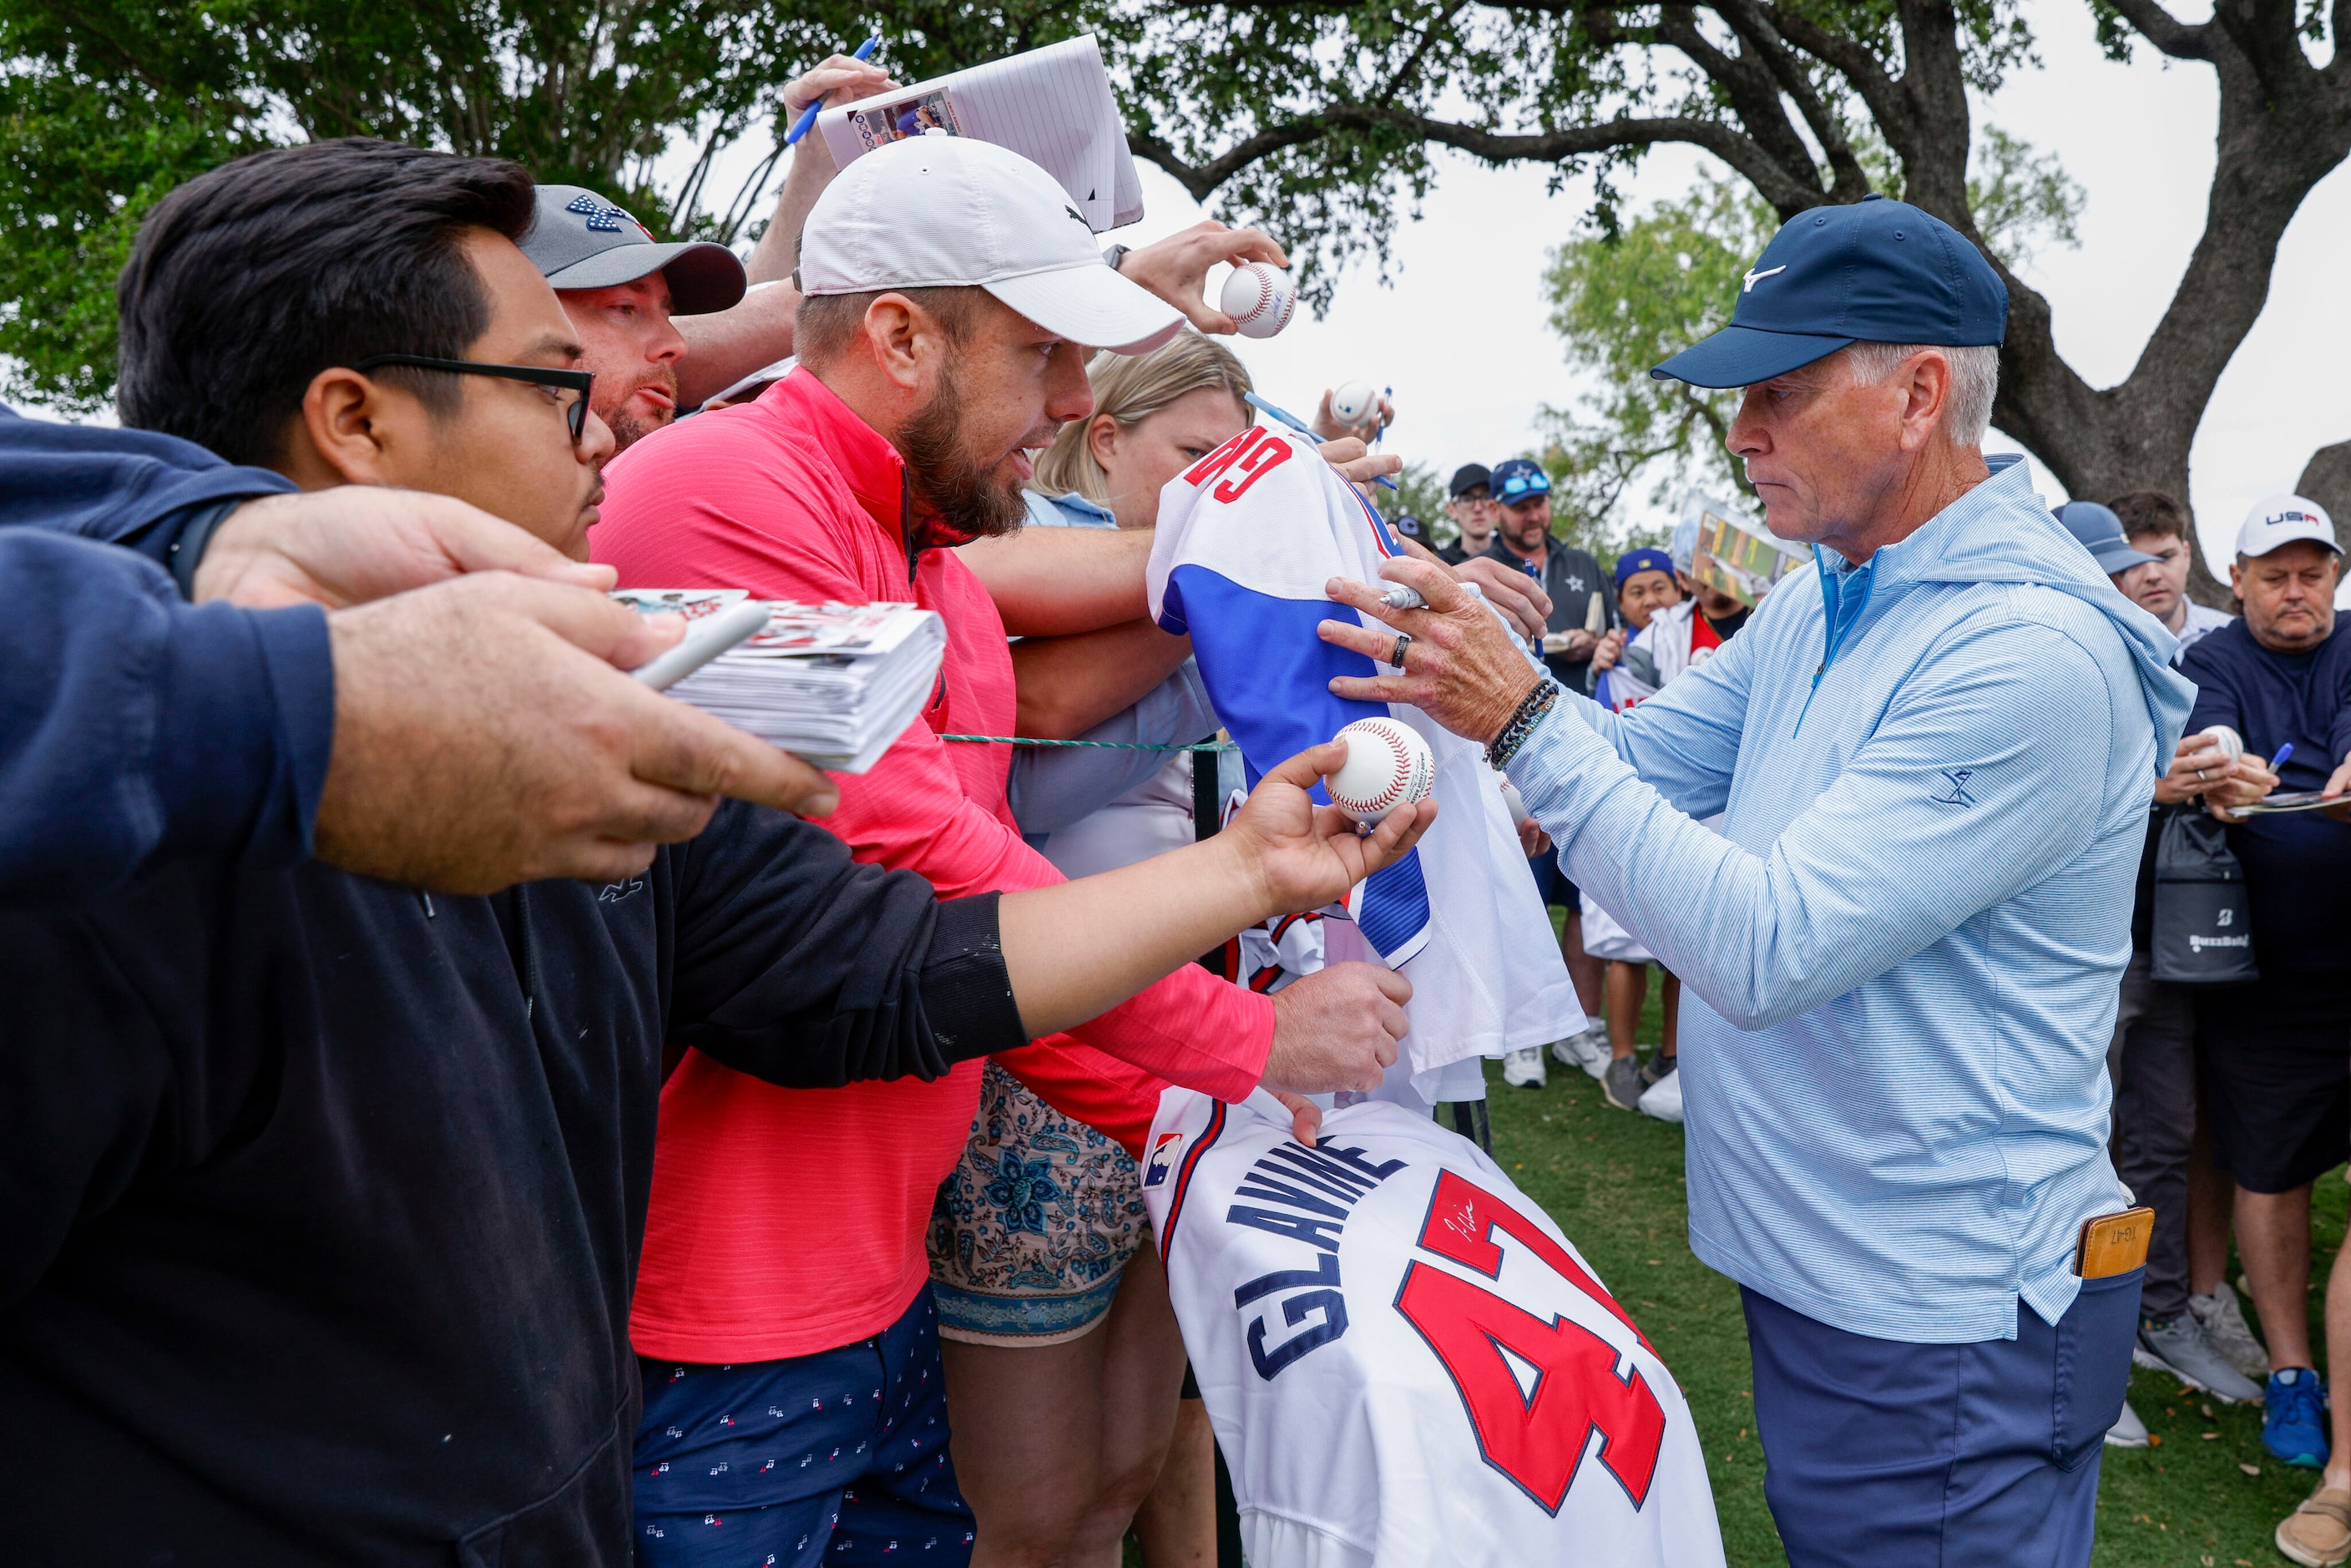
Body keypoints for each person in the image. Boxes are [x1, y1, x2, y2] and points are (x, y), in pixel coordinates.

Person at [0, 134, 1430, 1561]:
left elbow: (883, 954)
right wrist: (267, 657)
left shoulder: (630, 710)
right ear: (358, 427)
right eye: (563, 388)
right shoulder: (119, 860)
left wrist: (1246, 877)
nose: (620, 433)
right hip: (730, 1334)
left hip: (807, 1315)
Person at [1318, 193, 2195, 1568]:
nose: (1739, 433)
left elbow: (1767, 942)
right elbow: (1631, 764)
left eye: (1777, 392)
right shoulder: (1826, 591)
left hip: (1936, 1312)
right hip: (1848, 1281)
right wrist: (1445, 688)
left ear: (1918, 396)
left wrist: (1524, 721)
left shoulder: (2029, 654)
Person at [589, 134, 1416, 1567]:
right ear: (901, 335)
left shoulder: (926, 554)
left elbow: (993, 979)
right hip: (709, 1302)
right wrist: (1239, 1038)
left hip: (878, 1271)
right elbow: (932, 877)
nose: (1078, 402)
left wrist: (1192, 1117)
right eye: (1042, 354)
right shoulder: (714, 479)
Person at [2049, 503, 2263, 1448]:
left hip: (2159, 936)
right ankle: (2068, 1350)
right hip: (2072, 951)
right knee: (2073, 1147)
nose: (2133, 580)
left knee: (2165, 1135)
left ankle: (2156, 1315)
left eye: (2143, 563)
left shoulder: (2176, 662)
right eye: (2111, 568)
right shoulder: (2045, 657)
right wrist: (2149, 786)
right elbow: (2041, 805)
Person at [2182, 496, 2351, 1490]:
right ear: (2235, 580)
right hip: (2265, 975)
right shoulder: (2212, 663)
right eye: (2274, 573)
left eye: (2312, 572)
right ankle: (2292, 1368)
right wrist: (2220, 770)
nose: (2296, 591)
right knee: (2269, 1166)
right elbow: (2208, 751)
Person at [1581, 545, 1698, 1113]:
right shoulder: (1614, 657)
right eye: (1637, 590)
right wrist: (1603, 662)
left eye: (1661, 587)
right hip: (1624, 800)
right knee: (1625, 946)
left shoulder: (1703, 641)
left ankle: (1671, 1053)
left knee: (1682, 947)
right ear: (1620, 601)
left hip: (1691, 810)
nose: (1651, 599)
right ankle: (1623, 1056)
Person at [1440, 463, 1494, 564]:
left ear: (1496, 507)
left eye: (1486, 497)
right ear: (1451, 510)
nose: (1478, 508)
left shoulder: (1518, 558)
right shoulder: (1440, 565)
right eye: (1467, 500)